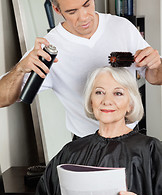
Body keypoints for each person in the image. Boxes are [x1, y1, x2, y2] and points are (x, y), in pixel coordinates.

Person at [28, 66, 162, 195]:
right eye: (99, 92)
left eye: (118, 93)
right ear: (91, 101)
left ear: (130, 104)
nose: (107, 100)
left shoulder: (152, 150)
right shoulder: (70, 152)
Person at [0, 0, 162, 137]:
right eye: (72, 11)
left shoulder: (122, 27)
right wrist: (20, 69)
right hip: (86, 143)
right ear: (57, 10)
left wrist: (156, 65)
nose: (84, 17)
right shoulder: (49, 49)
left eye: (87, 4)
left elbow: (155, 78)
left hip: (130, 135)